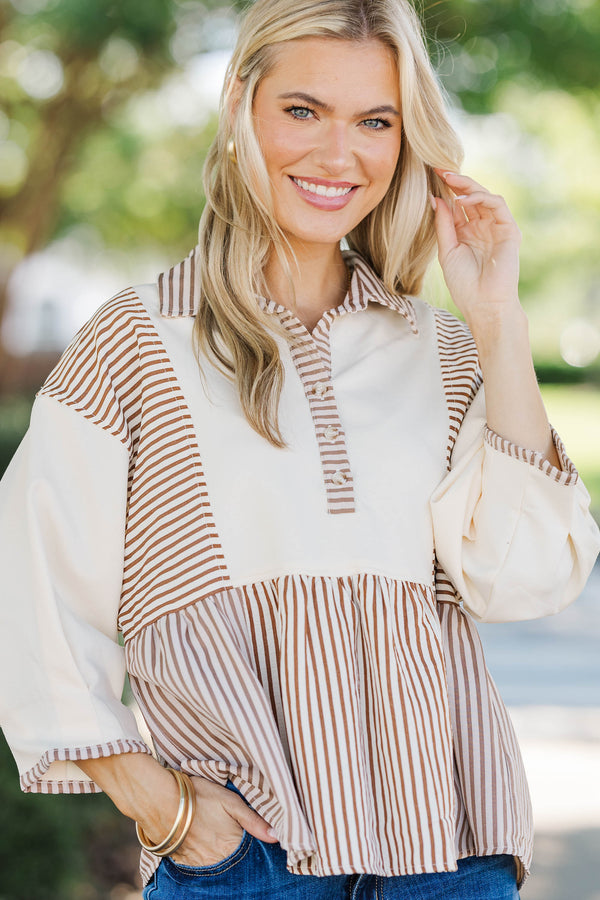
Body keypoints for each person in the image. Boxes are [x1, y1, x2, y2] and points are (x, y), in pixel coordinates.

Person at [1, 0, 598, 897]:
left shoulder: (440, 350)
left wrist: (497, 319)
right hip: (245, 859)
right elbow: (33, 585)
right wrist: (161, 808)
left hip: (451, 851)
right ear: (241, 104)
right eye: (302, 110)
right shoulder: (137, 342)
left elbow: (524, 579)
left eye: (375, 122)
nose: (337, 155)